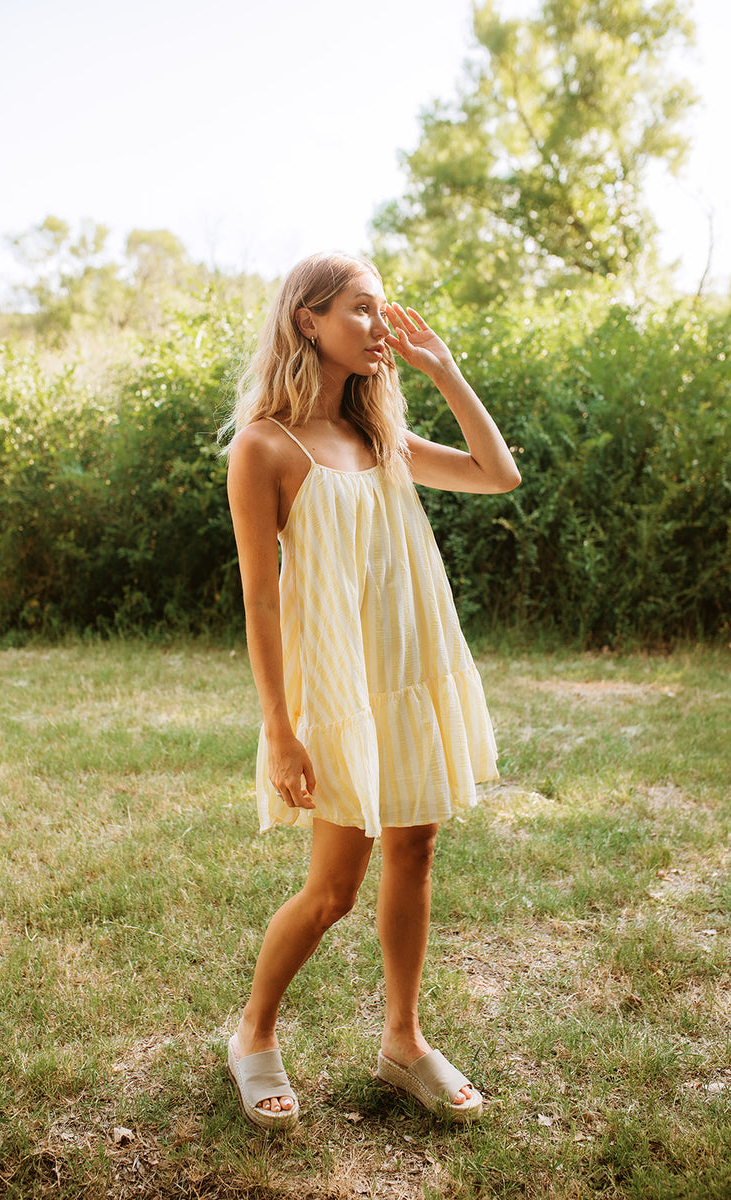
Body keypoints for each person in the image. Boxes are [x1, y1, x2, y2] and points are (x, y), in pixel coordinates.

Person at [223, 252, 520, 1130]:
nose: (377, 324)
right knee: (332, 889)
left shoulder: (381, 438)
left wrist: (444, 370)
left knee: (417, 849)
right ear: (306, 320)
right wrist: (281, 730)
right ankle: (252, 1032)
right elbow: (261, 599)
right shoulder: (264, 446)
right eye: (360, 309)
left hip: (411, 667)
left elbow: (495, 473)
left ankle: (403, 1040)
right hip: (343, 687)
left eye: (381, 310)